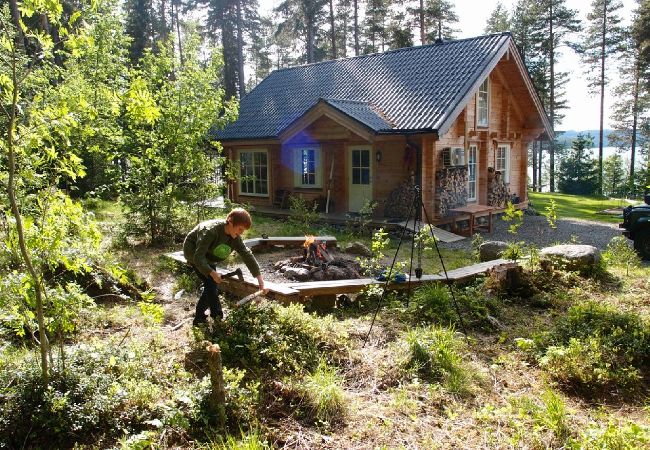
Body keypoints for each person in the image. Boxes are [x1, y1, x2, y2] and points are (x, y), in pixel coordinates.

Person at [183, 208, 265, 325]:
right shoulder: (211, 231)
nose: (241, 233)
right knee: (211, 284)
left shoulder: (235, 237)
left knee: (211, 284)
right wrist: (212, 272)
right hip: (194, 252)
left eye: (243, 230)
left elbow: (246, 253)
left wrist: (259, 277)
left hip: (208, 257)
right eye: (240, 229)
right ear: (230, 222)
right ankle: (218, 318)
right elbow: (198, 257)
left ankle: (199, 317)